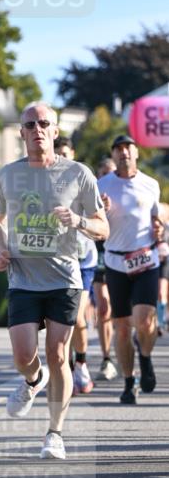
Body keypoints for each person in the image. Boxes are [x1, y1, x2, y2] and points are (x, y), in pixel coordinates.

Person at [0, 102, 108, 459]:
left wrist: (79, 221)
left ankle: (54, 433)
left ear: (55, 131)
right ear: (22, 133)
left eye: (44, 123)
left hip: (65, 279)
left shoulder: (78, 173)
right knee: (24, 355)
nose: (37, 129)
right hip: (24, 279)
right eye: (30, 124)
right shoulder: (8, 175)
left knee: (58, 353)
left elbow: (102, 228)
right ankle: (32, 380)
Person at [99, 134, 162, 405]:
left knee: (145, 320)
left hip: (146, 259)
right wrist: (99, 210)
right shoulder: (101, 185)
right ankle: (128, 381)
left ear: (137, 153)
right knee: (123, 328)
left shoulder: (151, 184)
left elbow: (156, 219)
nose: (123, 153)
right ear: (113, 156)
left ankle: (145, 358)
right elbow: (93, 224)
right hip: (115, 262)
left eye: (128, 148)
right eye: (118, 149)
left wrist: (158, 227)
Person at [53, 137, 97, 395]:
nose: (62, 159)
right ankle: (68, 366)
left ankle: (81, 364)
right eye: (58, 155)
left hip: (83, 261)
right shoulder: (45, 182)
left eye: (66, 154)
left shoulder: (83, 179)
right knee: (61, 320)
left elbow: (100, 220)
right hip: (57, 260)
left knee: (77, 317)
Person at [92, 157, 118, 380]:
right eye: (103, 174)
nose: (106, 178)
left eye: (111, 173)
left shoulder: (125, 191)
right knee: (103, 308)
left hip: (123, 253)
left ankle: (128, 350)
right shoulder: (92, 193)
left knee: (123, 313)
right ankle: (106, 358)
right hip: (100, 252)